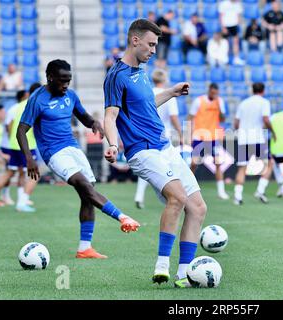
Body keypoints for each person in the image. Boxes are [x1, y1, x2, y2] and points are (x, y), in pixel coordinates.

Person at [103, 19, 207, 288]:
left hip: (164, 147)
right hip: (142, 151)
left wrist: (171, 93)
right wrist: (113, 144)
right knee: (178, 197)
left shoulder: (142, 71)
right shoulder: (116, 76)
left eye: (155, 45)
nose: (153, 50)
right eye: (150, 44)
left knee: (197, 207)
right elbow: (110, 116)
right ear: (134, 40)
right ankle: (162, 265)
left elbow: (147, 104)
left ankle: (184, 275)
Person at [17, 59, 140, 259]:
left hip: (73, 149)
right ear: (50, 78)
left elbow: (83, 116)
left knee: (87, 194)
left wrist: (94, 124)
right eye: (62, 81)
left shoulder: (70, 95)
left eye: (69, 80)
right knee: (84, 185)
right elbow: (21, 131)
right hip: (53, 152)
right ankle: (122, 217)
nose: (66, 85)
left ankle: (85, 248)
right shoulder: (37, 99)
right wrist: (29, 159)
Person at [135, 68, 183, 209]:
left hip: (147, 134)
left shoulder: (148, 93)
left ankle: (139, 195)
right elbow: (174, 118)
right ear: (164, 79)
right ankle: (171, 198)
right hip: (164, 136)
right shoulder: (169, 93)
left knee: (149, 166)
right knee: (171, 167)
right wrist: (181, 133)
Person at [0, 86, 42, 212]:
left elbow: (9, 125)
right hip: (27, 145)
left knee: (14, 172)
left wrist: (12, 139)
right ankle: (22, 202)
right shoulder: (35, 105)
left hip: (14, 144)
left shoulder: (16, 107)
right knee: (35, 174)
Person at [233, 83, 275, 205]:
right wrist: (273, 132)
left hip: (243, 139)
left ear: (252, 90)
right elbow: (266, 119)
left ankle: (237, 196)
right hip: (257, 139)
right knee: (269, 164)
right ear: (263, 90)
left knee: (242, 168)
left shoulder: (243, 103)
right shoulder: (264, 102)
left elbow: (236, 123)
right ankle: (260, 190)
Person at [188, 83, 229, 200]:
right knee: (194, 163)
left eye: (216, 93)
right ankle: (188, 187)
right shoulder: (198, 101)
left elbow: (222, 119)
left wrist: (219, 106)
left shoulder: (219, 101)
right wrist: (188, 134)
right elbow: (190, 117)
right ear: (209, 91)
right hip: (199, 136)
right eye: (212, 92)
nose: (214, 94)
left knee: (218, 163)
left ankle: (221, 191)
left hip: (213, 137)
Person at [218, 0, 245, 66]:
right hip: (226, 25)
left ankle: (236, 58)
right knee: (224, 43)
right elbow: (220, 16)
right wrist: (223, 27)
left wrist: (239, 25)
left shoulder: (238, 4)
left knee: (236, 42)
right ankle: (224, 59)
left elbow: (239, 16)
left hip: (234, 25)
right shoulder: (223, 3)